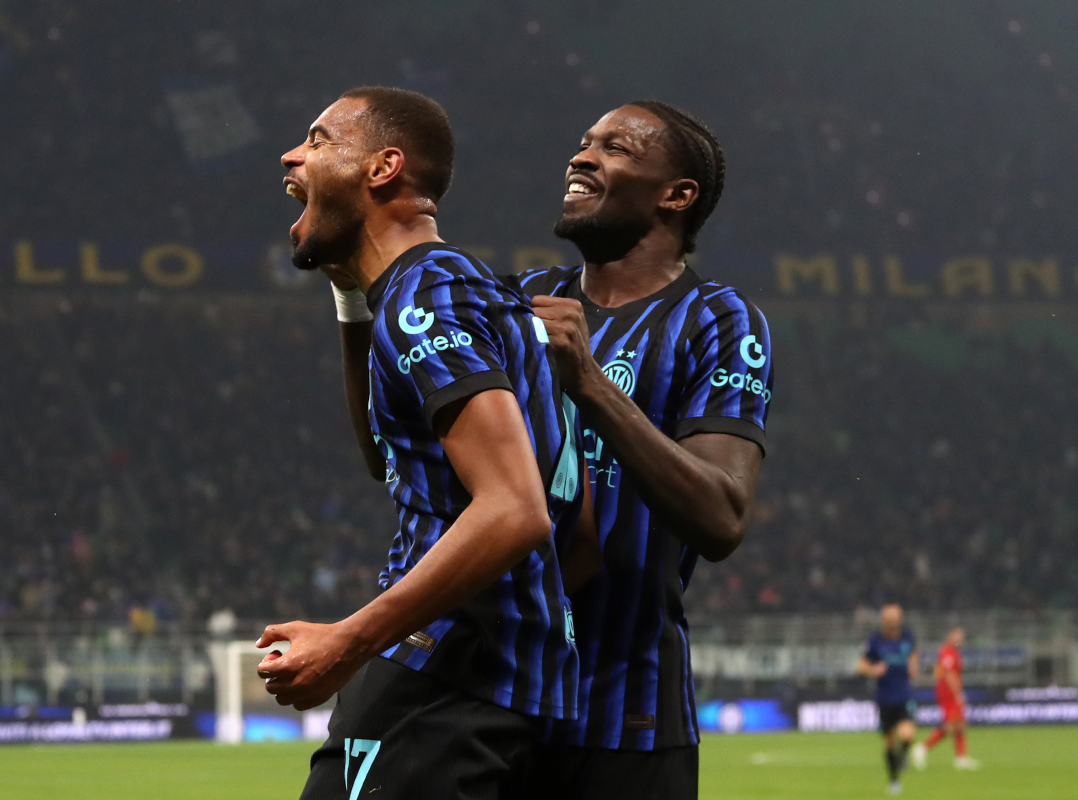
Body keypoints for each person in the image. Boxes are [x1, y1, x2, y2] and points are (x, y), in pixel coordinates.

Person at [256, 86, 587, 800]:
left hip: (442, 678)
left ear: (382, 168)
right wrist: (351, 301)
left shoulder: (425, 298)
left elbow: (514, 508)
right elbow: (390, 459)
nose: (291, 154)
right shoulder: (473, 292)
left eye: (317, 140)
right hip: (513, 684)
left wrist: (348, 641)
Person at [512, 101, 772, 799]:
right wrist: (353, 305)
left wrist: (589, 384)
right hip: (498, 704)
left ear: (677, 195)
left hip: (630, 713)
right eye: (583, 140)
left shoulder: (718, 319)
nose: (581, 156)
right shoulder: (525, 298)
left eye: (615, 147)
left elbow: (721, 517)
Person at [857, 603, 920, 795]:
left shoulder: (908, 636)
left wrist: (913, 664)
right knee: (889, 742)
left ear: (899, 620)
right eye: (887, 620)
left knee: (908, 734)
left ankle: (903, 756)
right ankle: (894, 781)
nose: (890, 623)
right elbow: (861, 665)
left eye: (893, 619)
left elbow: (914, 653)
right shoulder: (875, 640)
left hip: (904, 694)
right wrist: (873, 670)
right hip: (884, 697)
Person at [912, 627, 980, 770]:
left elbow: (939, 672)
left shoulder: (953, 652)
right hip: (948, 694)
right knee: (950, 726)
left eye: (961, 637)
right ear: (950, 636)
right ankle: (923, 748)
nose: (960, 640)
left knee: (960, 724)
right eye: (957, 636)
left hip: (949, 693)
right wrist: (958, 694)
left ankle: (961, 758)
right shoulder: (947, 652)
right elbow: (949, 675)